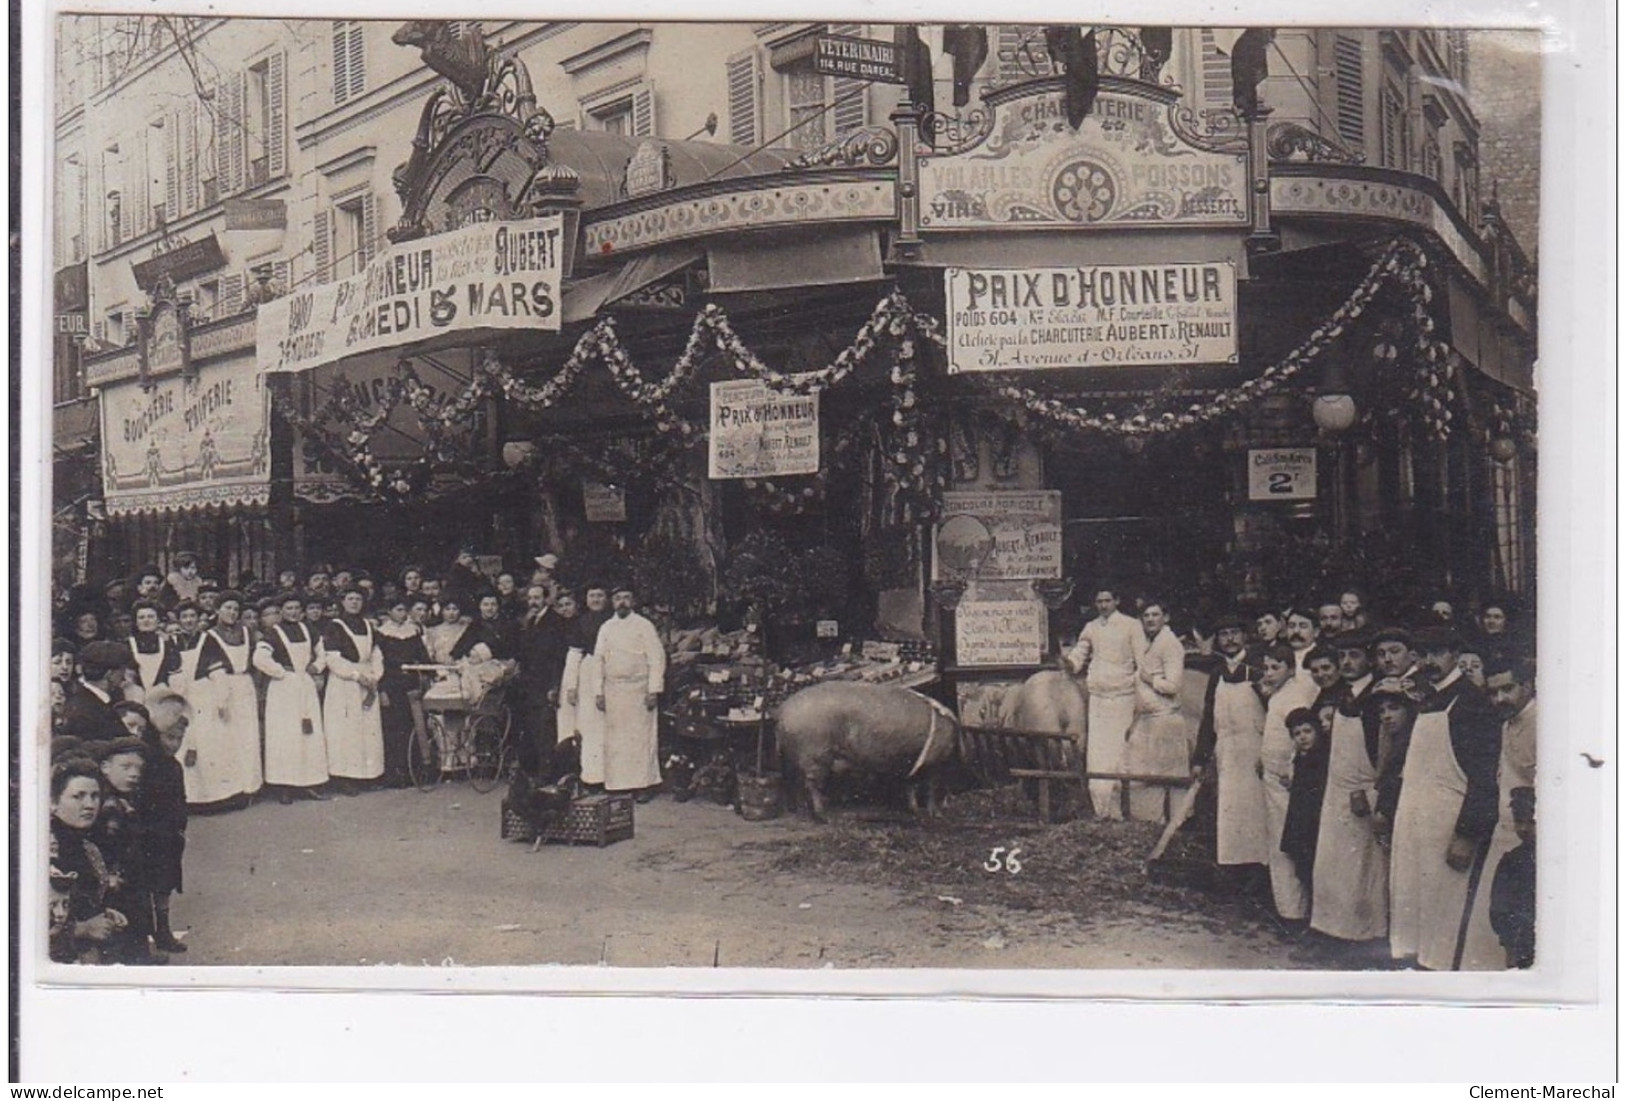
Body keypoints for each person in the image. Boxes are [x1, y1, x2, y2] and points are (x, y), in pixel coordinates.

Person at [1388, 626, 1503, 970]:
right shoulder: (1429, 698)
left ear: (1455, 654)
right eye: (1424, 655)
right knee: (1414, 901)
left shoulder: (1469, 700)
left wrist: (1467, 833)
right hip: (1414, 818)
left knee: (1445, 908)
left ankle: (1438, 974)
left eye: (1438, 654)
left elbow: (1484, 775)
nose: (1431, 662)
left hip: (1447, 824)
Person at [1310, 631, 1390, 947]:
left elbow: (1385, 751)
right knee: (1331, 866)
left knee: (1363, 871)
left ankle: (1363, 940)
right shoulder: (1342, 694)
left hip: (1362, 794)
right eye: (1342, 657)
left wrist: (1373, 792)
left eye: (1354, 656)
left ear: (1369, 659)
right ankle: (1330, 935)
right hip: (1336, 791)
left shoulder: (1377, 696)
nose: (1346, 663)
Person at [1459, 654, 1538, 970]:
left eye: (1508, 689)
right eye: (1493, 692)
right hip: (1504, 830)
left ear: (1527, 685)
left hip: (1528, 833)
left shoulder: (1542, 722)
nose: (1500, 698)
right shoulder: (1508, 722)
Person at [1193, 611, 1269, 883]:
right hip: (1228, 753)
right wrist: (1200, 758)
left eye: (1234, 633)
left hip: (1255, 751)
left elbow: (1273, 713)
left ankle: (1260, 873)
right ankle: (1234, 873)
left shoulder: (1258, 668)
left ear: (1245, 636)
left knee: (1257, 813)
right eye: (1224, 635)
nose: (1229, 640)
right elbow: (1208, 717)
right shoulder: (1217, 674)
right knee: (1231, 813)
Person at [1063, 586, 1141, 819]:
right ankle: (1102, 808)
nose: (1103, 605)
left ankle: (1125, 807)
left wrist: (1134, 687)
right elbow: (1080, 653)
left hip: (1123, 697)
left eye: (1107, 600)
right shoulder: (1091, 627)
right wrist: (1070, 663)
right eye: (1099, 601)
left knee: (1121, 750)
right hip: (1098, 699)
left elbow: (1142, 660)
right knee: (1099, 753)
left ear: (1116, 601)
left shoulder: (1131, 626)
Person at [187, 592, 264, 807]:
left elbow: (255, 662)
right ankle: (233, 788)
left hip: (245, 686)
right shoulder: (208, 635)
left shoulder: (248, 633)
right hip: (221, 689)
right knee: (229, 738)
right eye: (227, 608)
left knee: (249, 737)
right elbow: (202, 667)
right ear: (217, 610)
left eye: (235, 609)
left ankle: (251, 786)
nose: (231, 613)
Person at [593, 583, 667, 802]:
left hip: (638, 691)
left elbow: (657, 658)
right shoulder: (606, 627)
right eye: (618, 598)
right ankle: (617, 785)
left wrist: (653, 689)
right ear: (612, 602)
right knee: (616, 739)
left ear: (633, 601)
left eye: (626, 597)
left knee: (640, 739)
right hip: (614, 690)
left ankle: (643, 785)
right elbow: (598, 661)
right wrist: (598, 691)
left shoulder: (644, 626)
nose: (622, 602)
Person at [254, 593, 330, 804]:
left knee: (309, 735)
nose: (294, 612)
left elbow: (322, 652)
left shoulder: (309, 630)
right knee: (285, 736)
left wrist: (316, 667)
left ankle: (309, 783)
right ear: (281, 612)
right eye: (289, 608)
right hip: (283, 689)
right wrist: (280, 672)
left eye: (297, 608)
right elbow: (259, 658)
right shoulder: (273, 633)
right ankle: (284, 786)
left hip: (305, 684)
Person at [92, 736, 162, 963]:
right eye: (125, 767)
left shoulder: (123, 798)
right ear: (105, 767)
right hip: (118, 881)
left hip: (129, 877)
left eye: (138, 768)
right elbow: (108, 846)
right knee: (124, 930)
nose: (134, 774)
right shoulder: (109, 805)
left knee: (135, 925)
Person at [1259, 642, 1315, 923]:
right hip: (1271, 779)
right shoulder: (1278, 695)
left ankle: (1294, 911)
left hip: (1286, 780)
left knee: (1287, 844)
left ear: (1291, 670)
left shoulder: (1296, 695)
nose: (1268, 673)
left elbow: (1301, 737)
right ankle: (1285, 907)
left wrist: (1293, 771)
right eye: (1266, 667)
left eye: (1275, 667)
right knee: (1276, 841)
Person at [49, 759, 123, 964]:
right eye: (78, 796)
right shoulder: (43, 849)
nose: (90, 805)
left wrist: (104, 914)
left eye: (94, 796)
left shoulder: (87, 847)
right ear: (53, 802)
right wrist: (82, 929)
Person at [1122, 598, 1187, 822]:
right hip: (1148, 719)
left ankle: (1173, 825)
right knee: (1146, 775)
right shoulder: (1150, 643)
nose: (1150, 619)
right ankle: (1151, 823)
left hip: (1165, 719)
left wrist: (1150, 679)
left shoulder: (1170, 644)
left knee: (1168, 777)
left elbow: (1173, 686)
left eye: (1155, 615)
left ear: (1165, 617)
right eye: (1146, 616)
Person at [136, 686, 190, 954]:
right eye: (170, 737)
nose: (174, 744)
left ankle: (163, 930)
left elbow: (180, 801)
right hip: (149, 833)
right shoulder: (148, 760)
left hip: (169, 835)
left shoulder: (173, 766)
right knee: (150, 883)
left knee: (165, 885)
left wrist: (180, 827)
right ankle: (153, 932)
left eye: (179, 739)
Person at [321, 587, 386, 794]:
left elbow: (376, 654)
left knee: (368, 729)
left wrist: (375, 676)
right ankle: (345, 777)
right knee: (346, 730)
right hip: (345, 683)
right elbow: (332, 658)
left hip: (368, 680)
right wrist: (357, 676)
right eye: (350, 599)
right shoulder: (335, 626)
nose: (354, 603)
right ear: (342, 602)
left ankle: (368, 774)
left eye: (358, 599)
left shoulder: (368, 626)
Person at [375, 595, 430, 789]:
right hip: (392, 685)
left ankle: (414, 772)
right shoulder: (381, 634)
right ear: (389, 612)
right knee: (393, 729)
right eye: (397, 610)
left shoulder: (412, 632)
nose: (402, 614)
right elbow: (378, 664)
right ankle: (395, 775)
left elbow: (423, 657)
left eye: (404, 610)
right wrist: (382, 689)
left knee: (414, 727)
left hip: (411, 684)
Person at [515, 584, 570, 774]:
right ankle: (536, 773)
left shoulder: (556, 622)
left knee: (546, 731)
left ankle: (548, 775)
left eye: (537, 598)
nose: (533, 602)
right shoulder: (531, 621)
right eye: (530, 598)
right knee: (534, 730)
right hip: (530, 685)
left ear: (546, 599)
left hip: (546, 684)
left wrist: (554, 686)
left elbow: (558, 657)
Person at [563, 584, 613, 788]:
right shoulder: (581, 622)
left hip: (613, 674)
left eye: (600, 595)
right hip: (589, 674)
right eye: (592, 595)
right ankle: (593, 777)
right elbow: (574, 655)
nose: (596, 599)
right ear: (586, 599)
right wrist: (571, 686)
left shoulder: (614, 621)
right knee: (590, 728)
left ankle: (615, 778)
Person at [1279, 708, 1330, 899]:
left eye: (1308, 732)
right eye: (1297, 734)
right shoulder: (1299, 758)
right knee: (1302, 865)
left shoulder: (1322, 757)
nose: (1303, 738)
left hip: (1315, 819)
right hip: (1300, 818)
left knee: (1317, 866)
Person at [1489, 786, 1536, 969]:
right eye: (1518, 821)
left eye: (1531, 822)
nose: (1523, 828)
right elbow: (1499, 909)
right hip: (1520, 944)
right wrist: (1509, 947)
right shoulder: (1511, 861)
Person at [61, 641, 136, 748]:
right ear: (110, 674)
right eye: (122, 671)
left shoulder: (88, 700)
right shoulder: (84, 710)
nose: (124, 677)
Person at [126, 600, 181, 700]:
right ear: (136, 622)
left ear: (158, 620)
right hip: (137, 696)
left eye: (150, 617)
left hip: (162, 695)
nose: (146, 620)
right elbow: (128, 675)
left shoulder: (167, 642)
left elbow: (175, 668)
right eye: (141, 617)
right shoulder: (129, 644)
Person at [453, 592, 518, 662]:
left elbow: (515, 650)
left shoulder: (509, 624)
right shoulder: (475, 625)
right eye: (485, 605)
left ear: (498, 606)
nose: (489, 608)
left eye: (493, 604)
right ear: (480, 606)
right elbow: (459, 649)